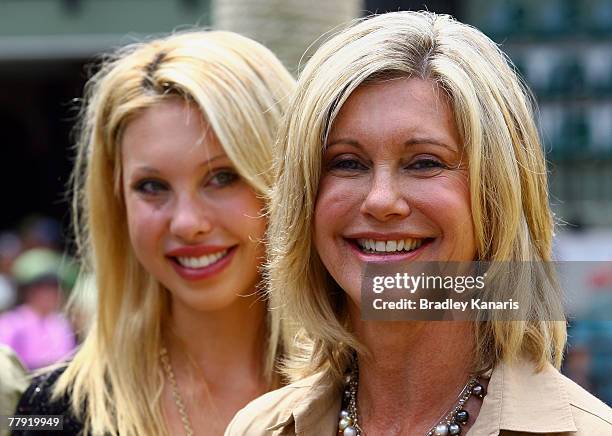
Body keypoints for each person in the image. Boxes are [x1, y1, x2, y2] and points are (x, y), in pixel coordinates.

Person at [226, 11, 612, 435]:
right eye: (348, 163)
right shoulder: (259, 428)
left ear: (497, 196)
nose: (380, 200)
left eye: (424, 162)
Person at [15, 31, 295, 436]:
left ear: (283, 178)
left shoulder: (370, 386)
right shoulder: (50, 410)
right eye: (152, 187)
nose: (186, 222)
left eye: (222, 177)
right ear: (117, 201)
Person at [0, 248, 76, 370]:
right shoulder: (11, 323)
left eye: (55, 289)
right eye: (43, 289)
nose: (51, 295)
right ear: (28, 291)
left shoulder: (61, 324)